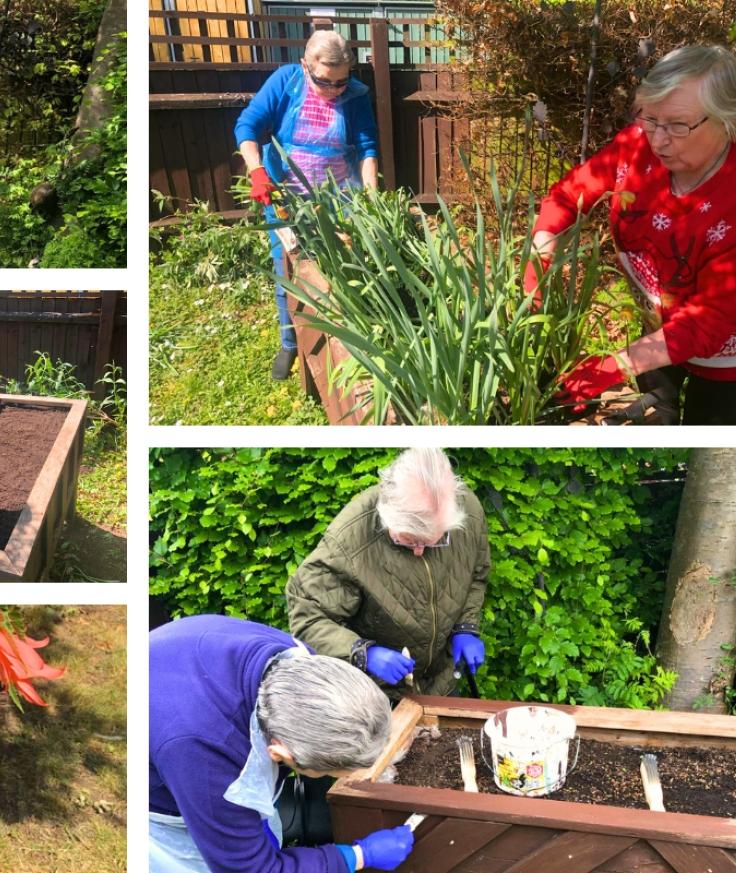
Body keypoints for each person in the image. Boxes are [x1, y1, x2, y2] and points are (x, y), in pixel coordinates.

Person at [531, 45, 736, 425]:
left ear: (726, 119)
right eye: (650, 119)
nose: (657, 141)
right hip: (657, 321)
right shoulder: (639, 145)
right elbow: (569, 195)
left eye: (677, 126)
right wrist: (541, 253)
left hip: (728, 349)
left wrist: (609, 368)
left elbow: (708, 324)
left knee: (706, 426)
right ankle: (660, 408)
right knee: (657, 394)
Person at [150, 614, 415, 873]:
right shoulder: (206, 757)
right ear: (278, 753)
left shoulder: (299, 662)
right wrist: (357, 856)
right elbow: (251, 869)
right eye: (326, 773)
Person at [234, 29, 380, 381]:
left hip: (337, 197)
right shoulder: (286, 81)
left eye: (341, 82)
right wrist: (256, 171)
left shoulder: (355, 96)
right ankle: (289, 343)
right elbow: (247, 126)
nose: (334, 91)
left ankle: (342, 334)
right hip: (285, 199)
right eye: (325, 82)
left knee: (342, 265)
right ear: (306, 66)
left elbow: (367, 150)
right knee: (288, 271)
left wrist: (372, 202)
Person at [286, 448, 489, 697]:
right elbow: (308, 619)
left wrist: (465, 627)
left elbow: (476, 574)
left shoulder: (467, 509)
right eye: (409, 541)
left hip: (440, 684)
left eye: (432, 542)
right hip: (376, 693)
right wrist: (362, 653)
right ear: (388, 517)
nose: (419, 551)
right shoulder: (350, 540)